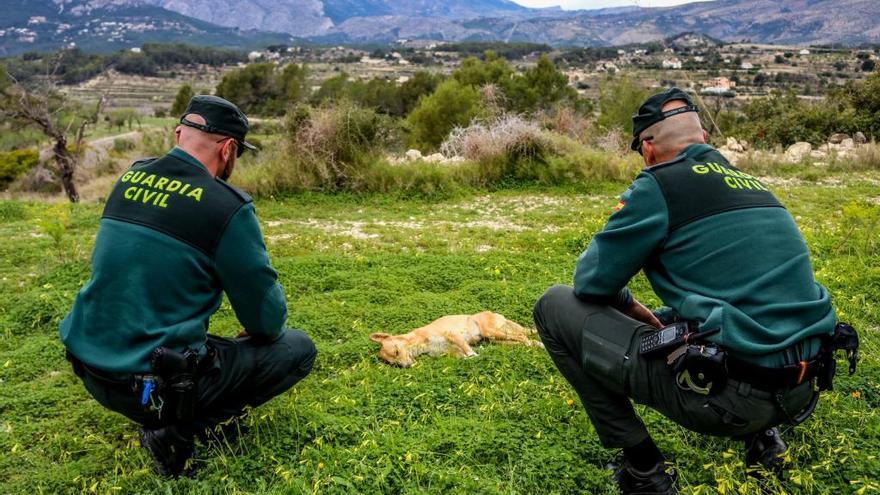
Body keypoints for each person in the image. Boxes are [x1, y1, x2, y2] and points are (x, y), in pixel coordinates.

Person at [532, 88, 836, 494]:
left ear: (649, 147)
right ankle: (765, 442)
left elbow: (590, 282)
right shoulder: (756, 185)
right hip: (801, 390)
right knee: (688, 313)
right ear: (704, 141)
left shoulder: (660, 185)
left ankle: (644, 470)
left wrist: (625, 303)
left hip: (732, 401)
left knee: (553, 306)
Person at [59, 95, 317, 478]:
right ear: (228, 149)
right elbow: (267, 317)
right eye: (238, 154)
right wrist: (258, 331)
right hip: (152, 383)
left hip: (90, 366)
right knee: (296, 348)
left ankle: (163, 410)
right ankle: (174, 428)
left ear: (179, 133)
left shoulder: (130, 177)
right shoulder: (225, 206)